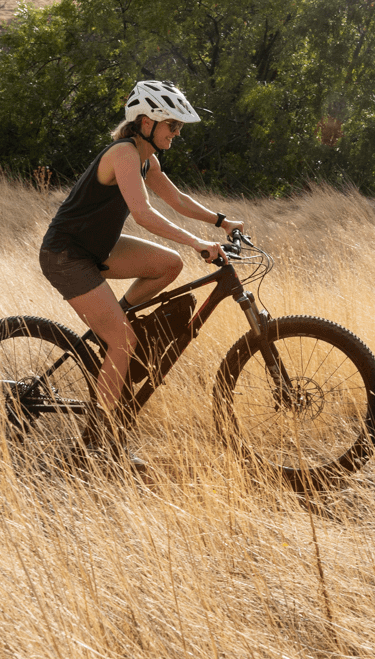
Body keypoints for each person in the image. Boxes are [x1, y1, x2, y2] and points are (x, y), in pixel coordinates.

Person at [39, 80, 243, 468]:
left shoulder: (147, 157)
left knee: (169, 265)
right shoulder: (123, 154)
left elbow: (177, 199)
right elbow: (144, 213)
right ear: (147, 121)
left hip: (96, 250)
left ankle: (113, 326)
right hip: (67, 255)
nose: (177, 133)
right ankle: (95, 447)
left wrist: (221, 221)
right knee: (123, 344)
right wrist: (197, 243)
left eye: (179, 127)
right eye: (173, 125)